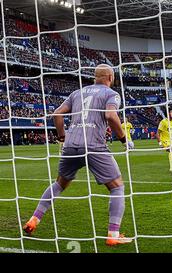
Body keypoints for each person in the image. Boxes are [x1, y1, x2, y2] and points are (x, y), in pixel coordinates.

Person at [23, 64, 133, 246]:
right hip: (93, 146)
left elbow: (57, 114)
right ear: (111, 78)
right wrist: (124, 140)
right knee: (117, 187)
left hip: (71, 145)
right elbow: (111, 116)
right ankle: (113, 235)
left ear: (95, 77)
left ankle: (34, 220)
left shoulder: (77, 93)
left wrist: (62, 137)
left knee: (59, 184)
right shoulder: (111, 94)